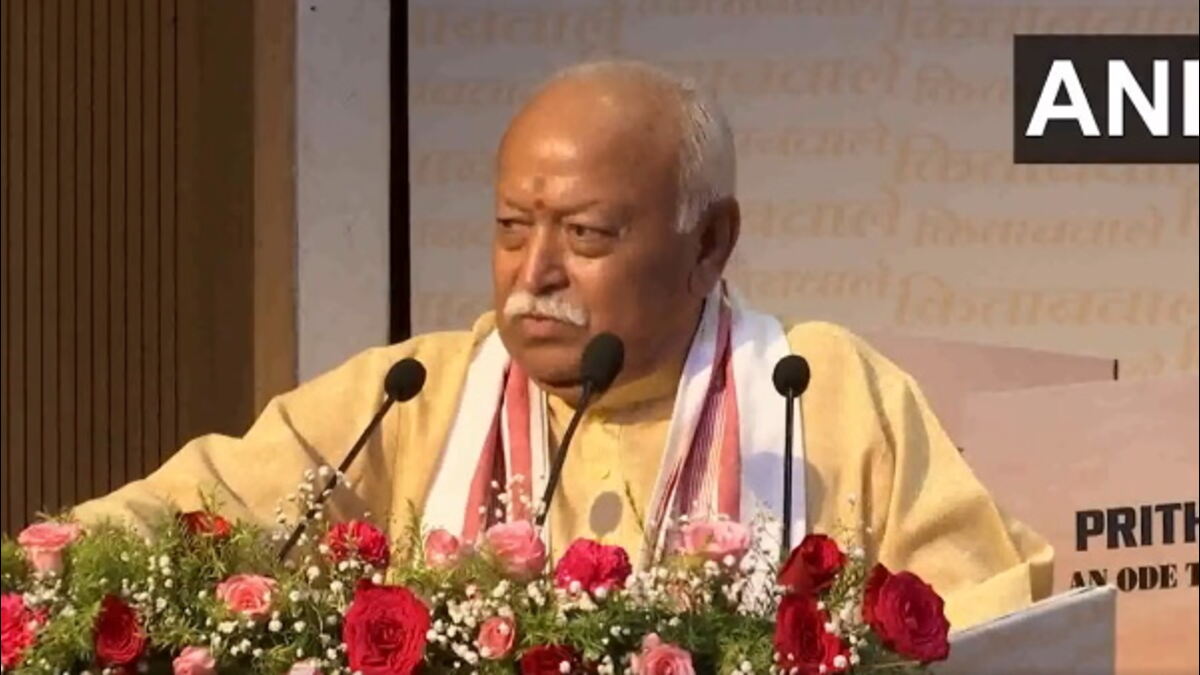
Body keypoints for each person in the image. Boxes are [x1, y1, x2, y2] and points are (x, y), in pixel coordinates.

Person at [74, 60, 1052, 630]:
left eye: (585, 236)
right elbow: (183, 511)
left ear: (709, 242)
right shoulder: (414, 394)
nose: (533, 273)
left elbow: (997, 623)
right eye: (511, 228)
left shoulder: (823, 394)